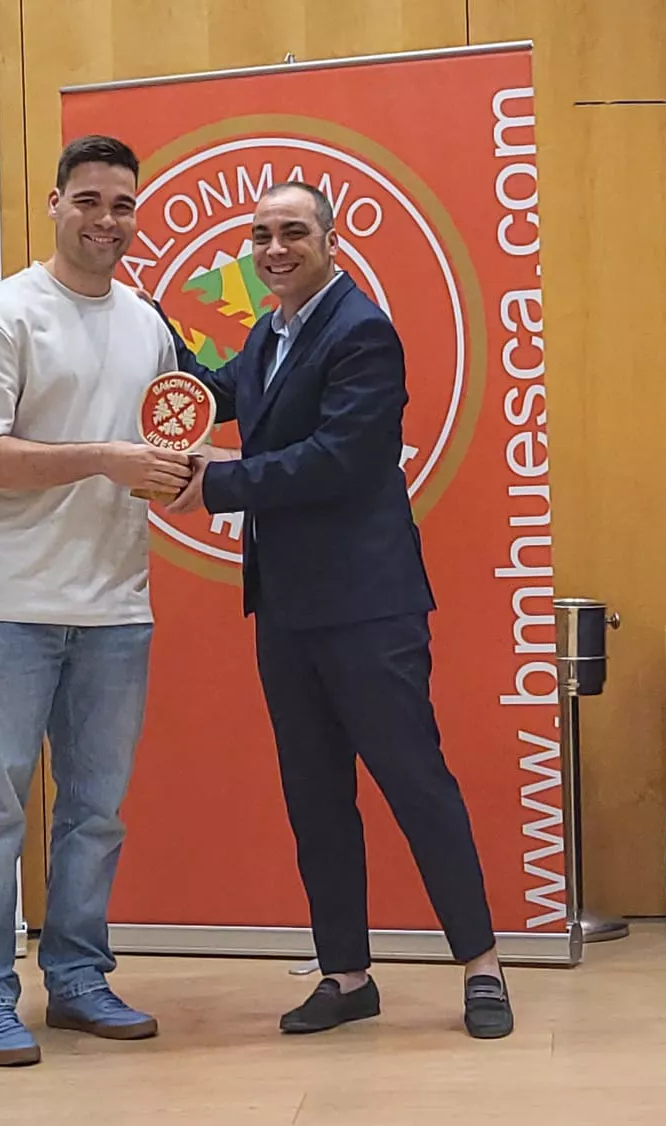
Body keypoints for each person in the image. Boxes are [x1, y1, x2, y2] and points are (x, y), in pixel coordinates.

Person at [161, 180, 514, 1040]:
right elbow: (221, 395)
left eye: (293, 233)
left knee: (415, 784)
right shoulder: (267, 332)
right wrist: (147, 336)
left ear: (331, 242)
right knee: (315, 796)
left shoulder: (362, 331)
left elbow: (342, 461)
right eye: (261, 235)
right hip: (286, 606)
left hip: (367, 607)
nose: (275, 248)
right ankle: (346, 975)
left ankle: (482, 966)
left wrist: (219, 483)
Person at [0, 134, 194, 1066]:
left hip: (118, 609)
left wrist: (176, 475)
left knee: (95, 811)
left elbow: (160, 445)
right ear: (53, 204)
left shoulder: (149, 323)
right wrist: (104, 457)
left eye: (122, 204)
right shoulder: (3, 315)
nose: (106, 220)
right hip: (9, 606)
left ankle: (79, 978)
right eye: (88, 201)